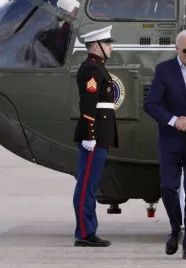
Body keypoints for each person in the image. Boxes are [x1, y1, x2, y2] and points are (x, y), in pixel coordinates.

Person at [143, 29, 186, 259]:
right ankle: (176, 229)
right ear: (176, 49)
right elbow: (151, 104)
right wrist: (174, 121)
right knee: (167, 188)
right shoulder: (164, 70)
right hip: (170, 139)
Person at [72, 25, 119, 247]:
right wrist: (90, 136)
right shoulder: (92, 68)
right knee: (86, 185)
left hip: (100, 135)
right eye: (107, 43)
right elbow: (88, 104)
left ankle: (88, 230)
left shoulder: (98, 67)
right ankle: (84, 233)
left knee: (90, 184)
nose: (110, 47)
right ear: (96, 46)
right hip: (95, 135)